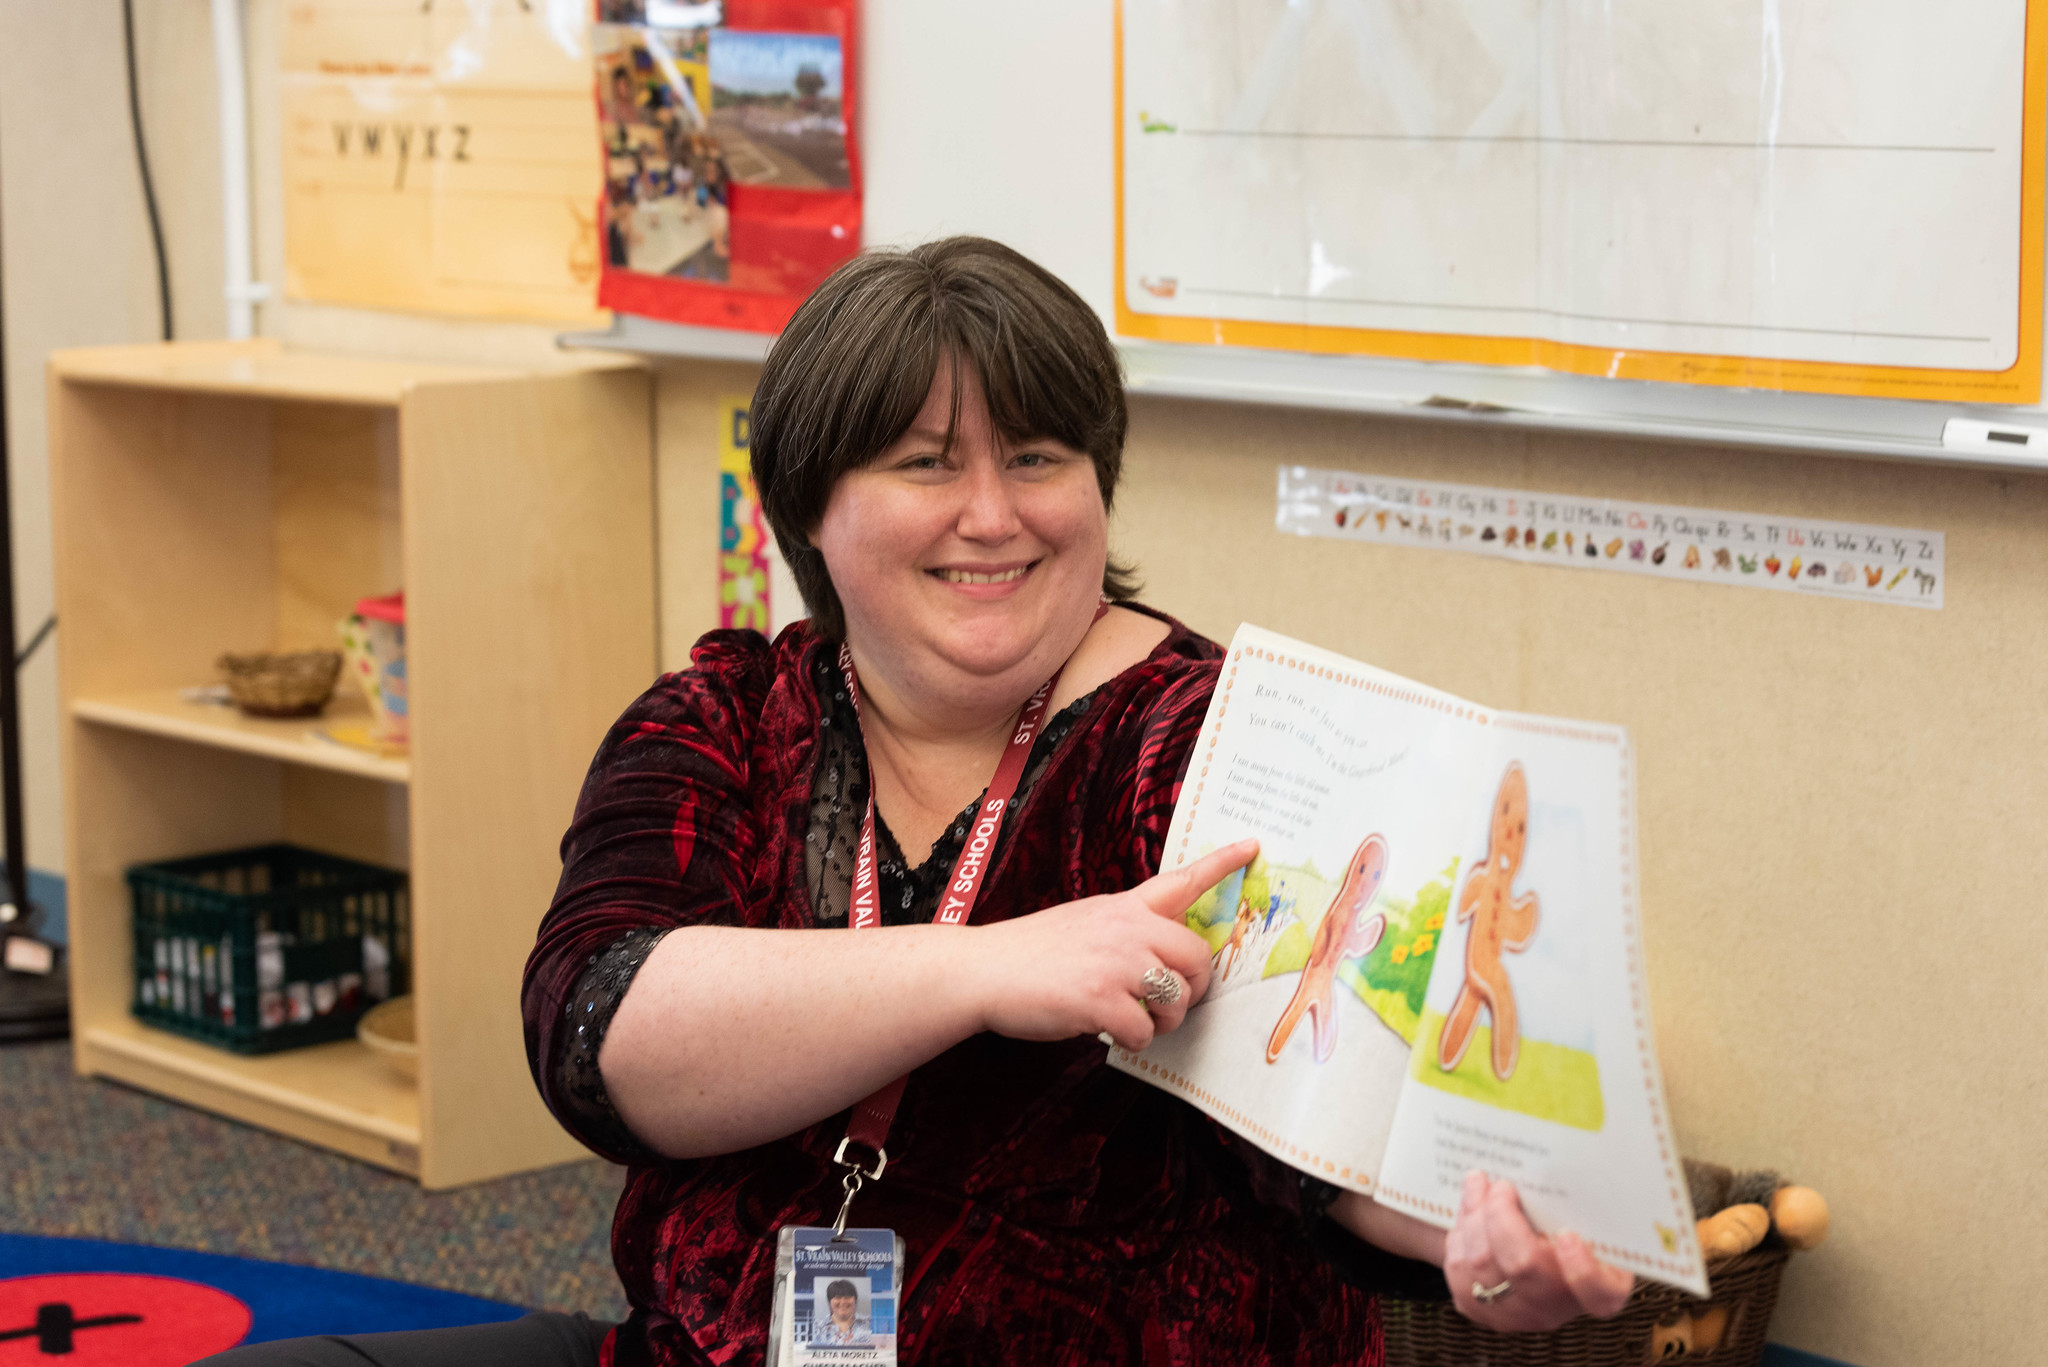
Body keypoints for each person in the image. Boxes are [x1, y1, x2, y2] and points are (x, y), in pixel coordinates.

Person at [197, 237, 1629, 1367]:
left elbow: (1327, 1119)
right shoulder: (717, 718)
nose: (994, 513)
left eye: (1041, 458)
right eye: (925, 463)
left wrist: (1471, 1236)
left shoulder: (1224, 742)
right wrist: (977, 967)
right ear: (813, 505)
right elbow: (599, 1032)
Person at [814, 1281, 870, 1346]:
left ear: (855, 1300)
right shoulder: (817, 1326)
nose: (843, 1302)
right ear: (829, 1302)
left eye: (847, 1297)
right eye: (838, 1297)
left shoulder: (868, 1323)